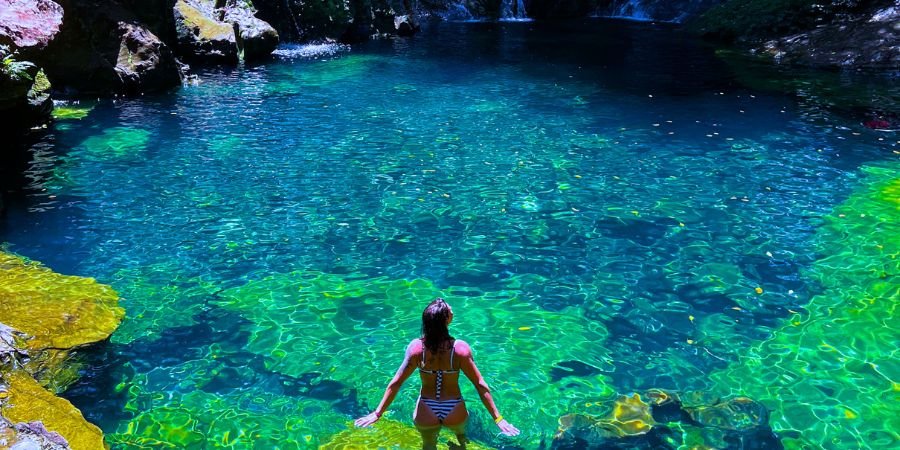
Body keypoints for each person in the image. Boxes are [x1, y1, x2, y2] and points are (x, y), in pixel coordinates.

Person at [354, 298, 520, 449]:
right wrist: (498, 419)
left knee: (428, 445)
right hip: (454, 408)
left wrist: (377, 413)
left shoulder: (416, 348)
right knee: (462, 441)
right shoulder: (460, 349)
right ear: (446, 320)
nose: (453, 311)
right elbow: (480, 385)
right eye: (450, 310)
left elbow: (396, 383)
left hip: (426, 409)